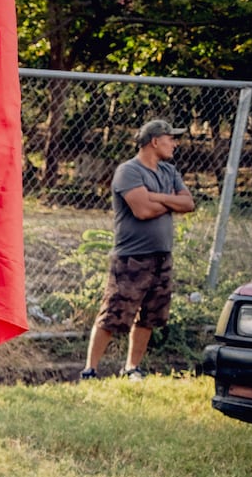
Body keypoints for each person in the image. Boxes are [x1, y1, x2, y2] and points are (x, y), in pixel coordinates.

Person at [81, 118, 196, 381]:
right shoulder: (128, 171)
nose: (175, 144)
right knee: (113, 314)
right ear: (155, 141)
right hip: (132, 257)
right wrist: (171, 201)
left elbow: (189, 203)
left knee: (150, 316)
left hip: (162, 256)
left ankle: (132, 367)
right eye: (171, 138)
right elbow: (142, 211)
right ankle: (90, 369)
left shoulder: (169, 172)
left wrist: (156, 196)